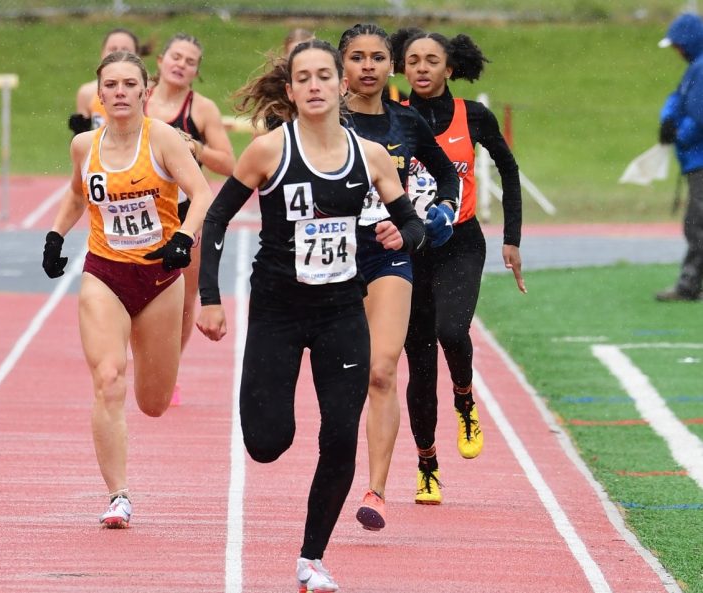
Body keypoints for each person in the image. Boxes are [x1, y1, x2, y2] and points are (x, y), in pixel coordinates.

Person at [197, 40, 426, 593]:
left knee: (341, 435)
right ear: (292, 90)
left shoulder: (368, 156)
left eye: (326, 75)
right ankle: (273, 422)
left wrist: (406, 233)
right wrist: (209, 295)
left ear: (340, 85)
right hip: (277, 309)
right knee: (267, 443)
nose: (317, 85)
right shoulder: (267, 151)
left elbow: (411, 224)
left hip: (340, 312)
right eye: (306, 77)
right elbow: (217, 219)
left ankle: (312, 558)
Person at [42, 50, 213, 528]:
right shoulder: (85, 146)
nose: (119, 93)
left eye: (128, 85)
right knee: (108, 377)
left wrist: (183, 237)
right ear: (99, 95)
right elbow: (78, 193)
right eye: (110, 85)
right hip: (105, 273)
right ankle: (118, 495)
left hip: (159, 278)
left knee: (153, 403)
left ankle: (147, 355)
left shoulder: (161, 139)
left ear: (145, 92)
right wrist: (56, 235)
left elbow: (201, 193)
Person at [391, 27, 525, 504]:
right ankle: (427, 463)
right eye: (413, 61)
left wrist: (511, 238)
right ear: (400, 67)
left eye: (431, 60)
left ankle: (465, 397)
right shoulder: (392, 118)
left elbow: (508, 170)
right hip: (405, 251)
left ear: (450, 68)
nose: (421, 69)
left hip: (461, 242)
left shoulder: (475, 117)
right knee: (418, 363)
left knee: (451, 330)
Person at [336, 23, 460, 532]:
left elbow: (447, 171)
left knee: (382, 370)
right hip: (330, 260)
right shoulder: (323, 120)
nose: (368, 66)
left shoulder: (407, 124)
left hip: (389, 254)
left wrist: (442, 210)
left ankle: (376, 489)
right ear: (342, 65)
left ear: (392, 67)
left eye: (378, 58)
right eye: (358, 58)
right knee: (339, 380)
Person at [145, 33, 236, 404]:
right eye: (176, 57)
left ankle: (170, 371)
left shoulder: (202, 110)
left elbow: (230, 164)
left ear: (196, 71)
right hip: (141, 208)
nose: (181, 64)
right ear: (161, 60)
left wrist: (196, 147)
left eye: (190, 61)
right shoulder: (139, 97)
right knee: (135, 288)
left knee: (183, 299)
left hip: (187, 212)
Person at [655, 13, 703, 302]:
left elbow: (699, 116)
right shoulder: (694, 69)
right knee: (696, 223)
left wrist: (678, 134)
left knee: (697, 224)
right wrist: (667, 119)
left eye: (678, 45)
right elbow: (677, 98)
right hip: (695, 161)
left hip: (700, 160)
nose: (677, 51)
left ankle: (689, 285)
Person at [68, 28, 147, 135]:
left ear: (138, 55)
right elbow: (81, 139)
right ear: (102, 53)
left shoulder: (150, 91)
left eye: (125, 50)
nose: (119, 54)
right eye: (113, 49)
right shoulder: (87, 93)